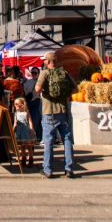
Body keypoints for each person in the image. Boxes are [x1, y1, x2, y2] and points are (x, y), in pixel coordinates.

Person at [35, 50, 76, 179]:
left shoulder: (45, 73)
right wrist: (64, 94)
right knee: (67, 140)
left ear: (48, 61)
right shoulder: (64, 73)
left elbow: (37, 89)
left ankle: (48, 169)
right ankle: (69, 169)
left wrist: (46, 91)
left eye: (45, 60)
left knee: (48, 141)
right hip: (63, 111)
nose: (44, 62)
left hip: (49, 112)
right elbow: (76, 89)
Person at [12, 96, 36, 167]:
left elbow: (30, 122)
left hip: (26, 131)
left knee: (29, 146)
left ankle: (31, 158)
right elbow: (15, 123)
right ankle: (23, 158)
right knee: (22, 146)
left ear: (22, 105)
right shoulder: (16, 113)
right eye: (15, 104)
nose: (15, 105)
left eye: (16, 104)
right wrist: (13, 130)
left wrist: (31, 130)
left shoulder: (26, 113)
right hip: (19, 132)